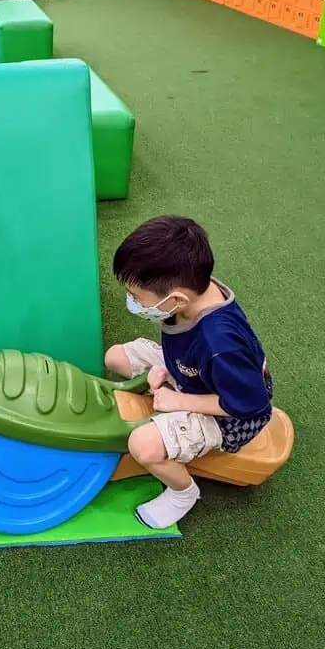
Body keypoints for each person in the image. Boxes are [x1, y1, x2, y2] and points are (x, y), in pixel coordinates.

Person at [105, 216, 273, 528]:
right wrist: (168, 368)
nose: (133, 302)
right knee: (117, 358)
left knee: (141, 445)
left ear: (177, 299)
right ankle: (172, 397)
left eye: (137, 297)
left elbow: (248, 404)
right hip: (196, 373)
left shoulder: (220, 343)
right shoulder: (196, 293)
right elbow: (188, 346)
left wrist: (178, 401)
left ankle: (183, 493)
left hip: (234, 416)